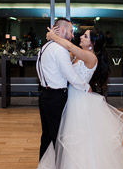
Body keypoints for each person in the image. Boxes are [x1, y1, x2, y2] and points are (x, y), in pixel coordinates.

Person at [35, 25, 123, 169]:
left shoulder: (90, 56)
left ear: (92, 43)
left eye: (85, 36)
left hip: (80, 101)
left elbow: (68, 46)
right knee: (68, 139)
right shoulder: (76, 55)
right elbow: (65, 57)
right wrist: (57, 37)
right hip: (71, 98)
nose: (81, 37)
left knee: (80, 140)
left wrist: (52, 35)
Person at [34, 18, 91, 161]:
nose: (73, 35)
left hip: (45, 96)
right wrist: (86, 87)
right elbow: (71, 76)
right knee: (58, 139)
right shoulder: (60, 50)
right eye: (71, 31)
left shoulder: (46, 47)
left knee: (46, 136)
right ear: (63, 30)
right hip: (56, 98)